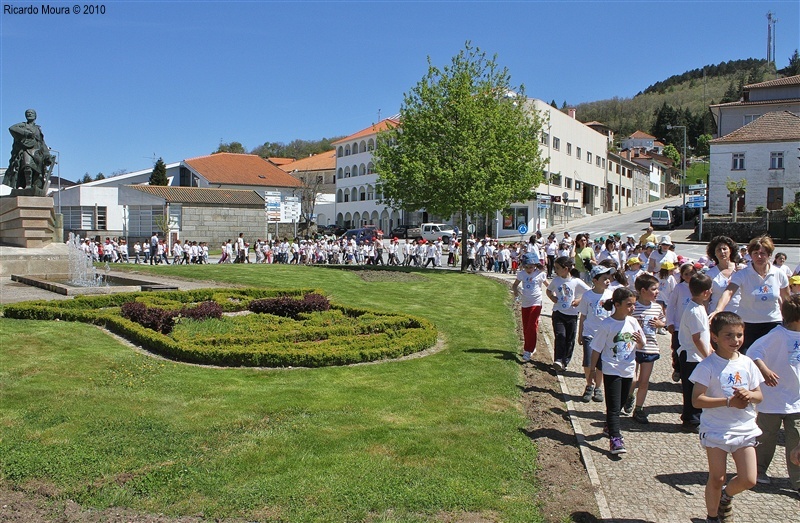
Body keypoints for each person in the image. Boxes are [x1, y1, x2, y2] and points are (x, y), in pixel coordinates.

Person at [690, 312, 763, 523]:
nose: (735, 340)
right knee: (717, 477)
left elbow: (759, 395)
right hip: (716, 429)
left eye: (739, 335)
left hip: (744, 428)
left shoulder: (748, 363)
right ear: (714, 337)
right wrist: (728, 401)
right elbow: (697, 400)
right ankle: (712, 517)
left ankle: (726, 495)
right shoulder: (707, 366)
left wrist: (750, 395)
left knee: (749, 479)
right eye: (729, 336)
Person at [747, 295, 800, 493]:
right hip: (773, 398)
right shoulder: (776, 335)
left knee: (796, 438)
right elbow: (753, 352)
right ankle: (758, 470)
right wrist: (765, 370)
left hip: (796, 398)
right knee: (765, 436)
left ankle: (798, 481)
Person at [589, 287, 645, 455]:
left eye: (634, 304)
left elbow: (641, 345)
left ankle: (609, 426)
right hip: (611, 368)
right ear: (617, 304)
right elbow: (596, 349)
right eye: (629, 305)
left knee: (620, 402)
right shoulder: (607, 324)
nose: (632, 308)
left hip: (628, 368)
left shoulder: (633, 322)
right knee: (613, 407)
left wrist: (641, 341)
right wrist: (592, 369)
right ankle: (615, 438)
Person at [711, 235, 790, 354]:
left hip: (773, 323)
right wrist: (718, 309)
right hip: (748, 324)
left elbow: (787, 299)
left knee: (771, 358)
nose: (759, 256)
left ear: (769, 255)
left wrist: (791, 319)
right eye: (755, 253)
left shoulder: (779, 274)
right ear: (750, 255)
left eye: (763, 253)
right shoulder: (742, 274)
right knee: (748, 357)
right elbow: (729, 292)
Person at [628, 273, 667, 424]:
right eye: (654, 289)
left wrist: (660, 324)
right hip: (633, 348)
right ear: (643, 290)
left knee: (644, 381)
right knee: (632, 379)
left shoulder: (657, 307)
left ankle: (639, 408)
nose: (657, 292)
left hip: (650, 348)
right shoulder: (633, 306)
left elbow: (663, 322)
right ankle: (629, 396)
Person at [678, 273, 714, 433]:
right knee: (692, 389)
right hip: (692, 356)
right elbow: (697, 337)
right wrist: (707, 355)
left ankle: (694, 417)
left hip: (697, 355)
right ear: (706, 292)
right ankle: (691, 419)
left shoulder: (698, 308)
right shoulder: (694, 311)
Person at [578, 265, 615, 403]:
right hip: (589, 333)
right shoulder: (588, 296)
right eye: (604, 278)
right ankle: (589, 384)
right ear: (595, 280)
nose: (608, 281)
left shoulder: (611, 295)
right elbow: (583, 316)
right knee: (588, 361)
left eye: (608, 278)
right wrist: (580, 333)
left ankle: (598, 387)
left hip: (605, 336)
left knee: (601, 363)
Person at [547, 256, 590, 372]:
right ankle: (558, 360)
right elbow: (548, 290)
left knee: (569, 339)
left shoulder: (576, 281)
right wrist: (552, 297)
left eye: (557, 268)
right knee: (560, 336)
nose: (555, 270)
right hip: (558, 313)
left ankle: (565, 362)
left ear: (566, 269)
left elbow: (588, 292)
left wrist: (578, 301)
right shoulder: (556, 280)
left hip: (572, 315)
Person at [3, 109, 54, 196]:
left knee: (38, 172)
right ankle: (27, 185)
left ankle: (34, 186)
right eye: (27, 113)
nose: (29, 114)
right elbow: (12, 128)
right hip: (27, 150)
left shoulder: (38, 129)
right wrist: (26, 133)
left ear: (35, 116)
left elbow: (42, 143)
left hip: (37, 152)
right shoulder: (22, 125)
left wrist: (47, 155)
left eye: (31, 113)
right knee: (27, 166)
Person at [512, 252, 548, 362]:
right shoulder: (521, 274)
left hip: (536, 302)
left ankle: (528, 350)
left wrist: (556, 294)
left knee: (531, 325)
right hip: (525, 302)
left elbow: (549, 286)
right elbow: (515, 285)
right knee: (526, 326)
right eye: (526, 267)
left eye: (531, 267)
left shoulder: (540, 274)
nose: (529, 269)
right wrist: (516, 294)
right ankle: (531, 345)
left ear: (536, 265)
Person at [706, 236, 741, 315]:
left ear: (730, 250)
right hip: (718, 316)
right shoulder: (709, 274)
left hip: (739, 315)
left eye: (724, 249)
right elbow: (706, 299)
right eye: (719, 249)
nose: (722, 252)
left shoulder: (741, 270)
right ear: (714, 253)